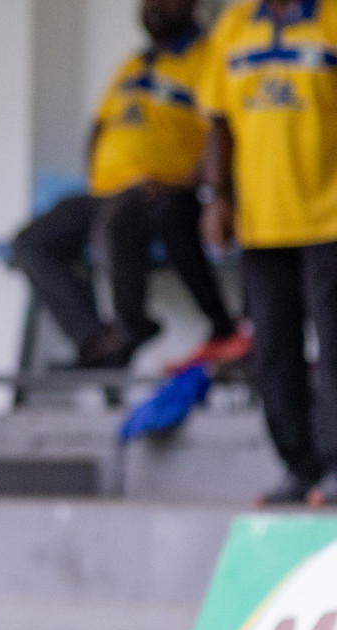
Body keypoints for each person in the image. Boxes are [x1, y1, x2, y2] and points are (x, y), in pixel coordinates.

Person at [11, 0, 248, 371]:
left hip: (159, 192)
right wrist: (99, 174)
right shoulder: (133, 63)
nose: (152, 6)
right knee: (31, 242)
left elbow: (221, 129)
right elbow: (101, 122)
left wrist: (186, 181)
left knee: (119, 219)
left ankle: (131, 327)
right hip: (104, 192)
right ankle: (97, 339)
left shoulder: (209, 59)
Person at [200, 0, 337, 506]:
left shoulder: (331, 20)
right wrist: (216, 198)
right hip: (261, 223)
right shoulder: (234, 26)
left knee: (334, 346)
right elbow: (218, 122)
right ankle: (298, 466)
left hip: (329, 218)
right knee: (275, 350)